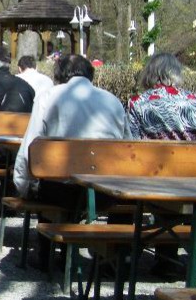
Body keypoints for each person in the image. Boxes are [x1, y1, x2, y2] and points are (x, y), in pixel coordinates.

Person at [127, 53, 196, 278]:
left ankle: (167, 262)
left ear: (150, 74)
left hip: (161, 184)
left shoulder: (138, 103)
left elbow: (133, 145)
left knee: (162, 190)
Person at [13, 54, 130, 200]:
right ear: (90, 73)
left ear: (59, 75)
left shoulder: (48, 97)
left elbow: (30, 145)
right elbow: (128, 146)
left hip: (60, 192)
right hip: (106, 193)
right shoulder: (113, 101)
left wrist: (23, 186)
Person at [128, 53, 196, 141]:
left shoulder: (137, 104)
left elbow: (132, 142)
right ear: (177, 74)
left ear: (148, 74)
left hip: (153, 154)